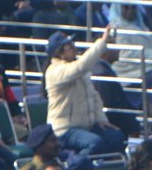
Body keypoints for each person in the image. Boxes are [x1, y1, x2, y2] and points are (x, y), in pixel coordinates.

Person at [44, 25, 125, 156]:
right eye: (69, 46)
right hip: (65, 129)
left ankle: (104, 169)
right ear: (59, 52)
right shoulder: (54, 71)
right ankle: (74, 167)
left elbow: (94, 96)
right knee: (94, 143)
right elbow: (80, 66)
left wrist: (101, 120)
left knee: (116, 137)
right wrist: (102, 42)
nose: (74, 47)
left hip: (87, 126)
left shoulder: (78, 69)